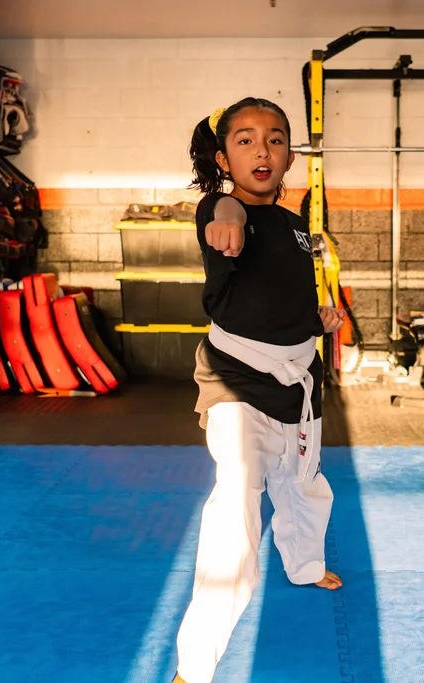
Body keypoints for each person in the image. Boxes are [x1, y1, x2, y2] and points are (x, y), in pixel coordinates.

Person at [172, 98, 346, 683]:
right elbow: (226, 212)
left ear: (290, 154)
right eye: (244, 141)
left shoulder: (298, 227)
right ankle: (195, 666)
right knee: (236, 506)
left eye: (274, 139)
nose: (262, 150)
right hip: (236, 379)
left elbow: (284, 291)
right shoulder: (219, 210)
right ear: (224, 158)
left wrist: (318, 315)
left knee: (302, 485)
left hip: (299, 377)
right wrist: (228, 217)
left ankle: (305, 565)